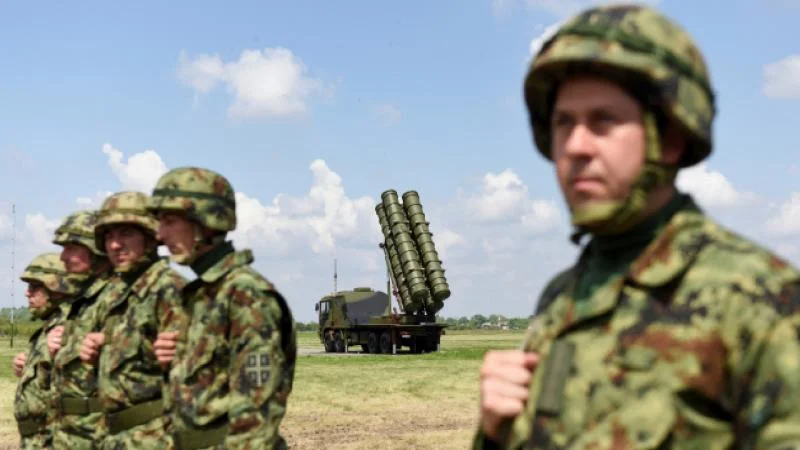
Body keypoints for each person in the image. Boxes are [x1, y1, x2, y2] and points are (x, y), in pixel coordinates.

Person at [475, 4, 800, 449]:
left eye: (603, 121)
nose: (575, 146)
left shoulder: (759, 297)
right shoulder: (561, 301)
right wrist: (493, 434)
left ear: (668, 137)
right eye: (563, 123)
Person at [147, 166, 297, 449]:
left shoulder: (245, 295)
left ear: (204, 221)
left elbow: (255, 421)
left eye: (168, 221)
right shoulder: (204, 295)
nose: (159, 235)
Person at [78, 191, 187, 449]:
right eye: (109, 236)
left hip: (156, 438)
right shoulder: (115, 294)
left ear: (150, 238)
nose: (115, 245)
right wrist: (99, 350)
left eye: (126, 234)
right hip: (114, 436)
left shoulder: (170, 289)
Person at [48, 209, 113, 448]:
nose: (63, 257)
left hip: (96, 435)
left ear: (95, 249)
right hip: (72, 434)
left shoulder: (113, 298)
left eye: (71, 248)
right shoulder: (82, 303)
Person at [14, 253, 84, 449]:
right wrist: (25, 370)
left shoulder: (71, 327)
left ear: (57, 288)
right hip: (37, 439)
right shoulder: (48, 329)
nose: (27, 293)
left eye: (35, 287)